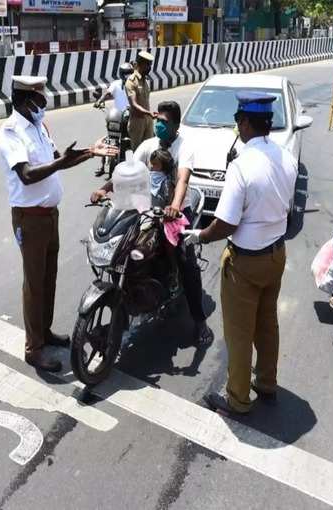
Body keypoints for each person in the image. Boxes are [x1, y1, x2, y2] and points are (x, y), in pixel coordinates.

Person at [183, 92, 298, 415]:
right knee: (266, 324)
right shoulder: (286, 157)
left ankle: (237, 399)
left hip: (245, 262)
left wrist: (199, 237)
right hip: (276, 255)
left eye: (237, 122)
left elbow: (225, 224)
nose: (237, 127)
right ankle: (266, 383)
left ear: (245, 123)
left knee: (238, 333)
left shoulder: (242, 165)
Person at [0, 75, 116, 373]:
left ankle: (45, 332)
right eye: (40, 99)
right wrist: (61, 162)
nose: (44, 104)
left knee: (49, 277)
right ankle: (33, 348)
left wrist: (90, 152)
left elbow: (57, 159)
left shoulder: (39, 127)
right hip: (30, 218)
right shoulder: (11, 132)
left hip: (50, 215)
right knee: (34, 283)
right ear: (26, 101)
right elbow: (26, 174)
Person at [91, 100, 214, 346]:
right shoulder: (148, 145)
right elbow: (129, 171)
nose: (158, 125)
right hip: (147, 207)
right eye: (157, 120)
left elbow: (182, 181)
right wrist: (104, 189)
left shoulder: (184, 148)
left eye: (164, 122)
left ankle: (199, 322)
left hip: (175, 211)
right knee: (124, 246)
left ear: (176, 125)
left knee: (186, 260)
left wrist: (176, 207)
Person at [93, 63, 134, 178]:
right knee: (109, 139)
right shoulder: (116, 84)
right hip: (116, 117)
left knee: (131, 141)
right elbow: (107, 93)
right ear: (121, 74)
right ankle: (101, 166)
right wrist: (99, 101)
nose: (128, 76)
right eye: (126, 73)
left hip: (130, 117)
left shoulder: (135, 85)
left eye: (129, 73)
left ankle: (133, 164)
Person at [126, 51, 156, 150]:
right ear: (141, 64)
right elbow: (134, 104)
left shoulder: (145, 80)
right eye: (148, 65)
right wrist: (148, 113)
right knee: (138, 152)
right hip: (137, 122)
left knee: (149, 150)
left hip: (148, 120)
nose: (149, 68)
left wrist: (149, 114)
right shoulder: (131, 81)